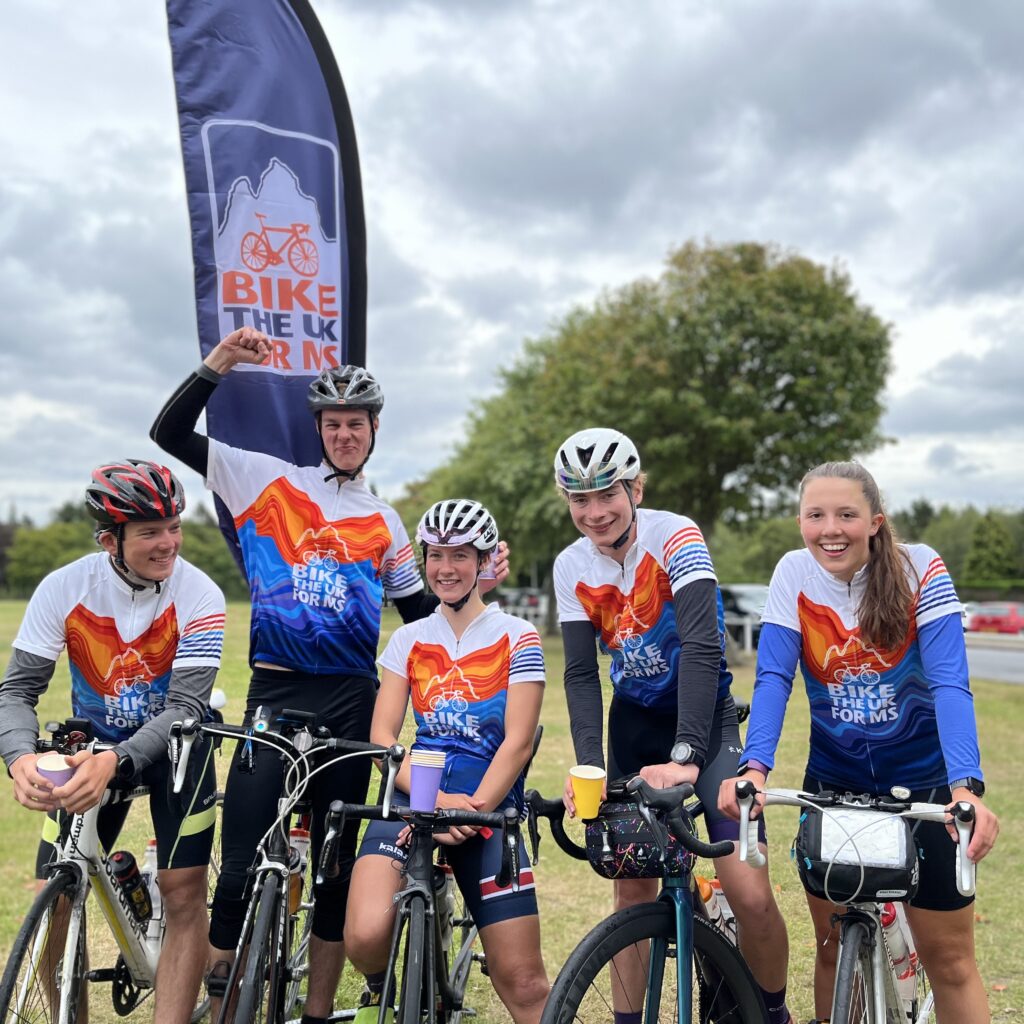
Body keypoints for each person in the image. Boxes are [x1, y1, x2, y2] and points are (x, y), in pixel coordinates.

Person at [149, 328, 508, 1023]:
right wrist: (219, 364)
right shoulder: (262, 479)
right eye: (334, 423)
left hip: (351, 702)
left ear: (374, 432)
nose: (345, 435)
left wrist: (473, 586)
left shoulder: (387, 522)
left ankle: (316, 1013)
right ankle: (223, 1009)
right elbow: (168, 433)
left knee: (334, 873)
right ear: (318, 428)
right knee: (239, 867)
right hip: (275, 693)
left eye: (357, 424)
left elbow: (423, 618)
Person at [718, 460, 999, 1024]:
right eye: (815, 515)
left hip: (924, 783)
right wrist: (754, 769)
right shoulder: (794, 573)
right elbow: (773, 678)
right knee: (831, 948)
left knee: (950, 961)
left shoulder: (920, 568)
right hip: (835, 783)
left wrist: (965, 787)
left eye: (846, 514)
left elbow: (949, 683)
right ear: (800, 521)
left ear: (875, 521)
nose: (831, 529)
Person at [552, 427, 792, 1024]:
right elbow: (580, 674)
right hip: (634, 725)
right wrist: (589, 766)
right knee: (632, 889)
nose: (595, 512)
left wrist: (687, 755)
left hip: (704, 720)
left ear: (635, 489)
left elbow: (703, 647)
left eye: (607, 494)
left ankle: (770, 1013)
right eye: (580, 499)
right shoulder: (570, 565)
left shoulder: (677, 536)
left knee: (749, 890)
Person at [0, 460, 224, 1024]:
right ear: (109, 540)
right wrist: (20, 756)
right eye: (150, 532)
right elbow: (18, 690)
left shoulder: (200, 593)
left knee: (182, 891)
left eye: (174, 526)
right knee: (56, 895)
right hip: (90, 749)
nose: (168, 542)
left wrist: (119, 761)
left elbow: (185, 708)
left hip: (175, 748)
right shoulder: (65, 587)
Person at [344, 498, 549, 1024]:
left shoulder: (519, 636)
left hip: (485, 803)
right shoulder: (409, 638)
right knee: (364, 937)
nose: (446, 568)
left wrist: (471, 810)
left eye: (460, 555)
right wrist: (433, 800)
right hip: (415, 791)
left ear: (484, 561)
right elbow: (382, 737)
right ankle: (385, 988)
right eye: (436, 555)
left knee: (524, 982)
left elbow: (518, 743)